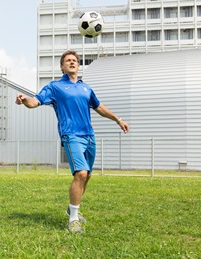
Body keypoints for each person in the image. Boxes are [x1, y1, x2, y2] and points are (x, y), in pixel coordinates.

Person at [15, 50, 129, 233]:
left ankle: (72, 207)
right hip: (71, 135)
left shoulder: (86, 88)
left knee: (87, 175)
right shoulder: (55, 87)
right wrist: (24, 100)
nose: (72, 62)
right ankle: (73, 220)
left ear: (78, 65)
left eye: (74, 60)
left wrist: (118, 119)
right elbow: (35, 101)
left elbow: (99, 107)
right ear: (62, 67)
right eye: (68, 60)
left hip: (89, 136)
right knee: (81, 174)